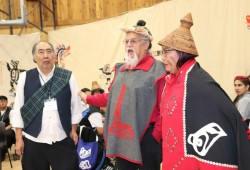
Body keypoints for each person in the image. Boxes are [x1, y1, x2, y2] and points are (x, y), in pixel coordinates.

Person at [156, 12, 250, 170]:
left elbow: (229, 115)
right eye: (162, 52)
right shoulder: (171, 81)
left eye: (167, 52)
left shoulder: (199, 84)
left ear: (182, 52)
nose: (163, 58)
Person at [78, 20, 165, 170]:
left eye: (133, 41)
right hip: (124, 137)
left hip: (147, 138)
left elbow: (164, 106)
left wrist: (155, 135)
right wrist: (89, 98)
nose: (129, 45)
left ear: (146, 44)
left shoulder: (158, 70)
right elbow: (111, 97)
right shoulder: (121, 70)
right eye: (126, 42)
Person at [10, 41, 82, 170]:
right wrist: (18, 138)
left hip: (62, 139)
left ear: (54, 55)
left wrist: (74, 129)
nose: (45, 55)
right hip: (33, 141)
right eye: (41, 52)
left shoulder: (67, 76)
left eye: (49, 51)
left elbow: (76, 106)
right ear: (34, 57)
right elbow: (18, 110)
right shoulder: (24, 78)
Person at [0, 95, 15, 161]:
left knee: (6, 135)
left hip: (8, 129)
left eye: (4, 101)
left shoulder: (11, 111)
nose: (2, 102)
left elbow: (12, 124)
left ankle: (3, 152)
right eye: (1, 101)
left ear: (7, 102)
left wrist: (3, 129)